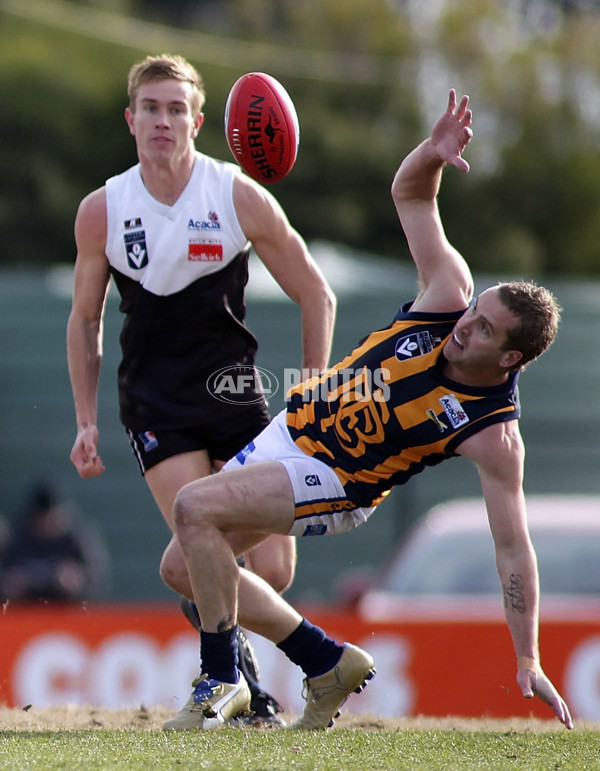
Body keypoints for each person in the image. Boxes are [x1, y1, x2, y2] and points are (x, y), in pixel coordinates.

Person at [166, 89, 574, 731]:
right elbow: (411, 195)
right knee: (180, 566)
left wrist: (528, 654)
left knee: (194, 507)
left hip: (339, 481)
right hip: (290, 435)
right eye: (477, 311)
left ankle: (220, 681)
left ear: (509, 362)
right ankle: (323, 659)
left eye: (487, 330)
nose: (467, 325)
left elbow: (513, 548)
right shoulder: (447, 296)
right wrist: (433, 155)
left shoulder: (493, 433)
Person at [66, 54, 336, 725]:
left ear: (199, 120)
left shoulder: (235, 193)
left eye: (176, 108)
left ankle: (257, 666)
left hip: (234, 392)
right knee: (197, 547)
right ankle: (243, 689)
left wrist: (311, 393)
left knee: (272, 566)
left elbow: (317, 293)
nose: (163, 120)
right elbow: (85, 319)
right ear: (131, 121)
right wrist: (84, 420)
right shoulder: (103, 210)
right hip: (155, 402)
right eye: (150, 109)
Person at [0, 481, 109, 603]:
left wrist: (77, 580)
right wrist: (11, 583)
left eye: (51, 518)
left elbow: (96, 578)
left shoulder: (77, 537)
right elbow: (6, 576)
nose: (46, 524)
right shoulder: (16, 537)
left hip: (69, 613)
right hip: (26, 612)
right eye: (41, 519)